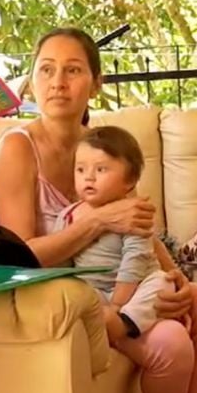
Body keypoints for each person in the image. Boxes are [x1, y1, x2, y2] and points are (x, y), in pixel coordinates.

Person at [0, 27, 197, 393]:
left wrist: (175, 276)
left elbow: (137, 223)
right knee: (172, 343)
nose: (58, 82)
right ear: (30, 81)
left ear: (95, 84)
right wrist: (98, 219)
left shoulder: (101, 147)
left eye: (72, 70)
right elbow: (19, 257)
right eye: (46, 70)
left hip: (116, 284)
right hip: (56, 291)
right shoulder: (16, 150)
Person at [57, 125, 170, 337]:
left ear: (130, 180)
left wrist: (118, 304)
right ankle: (101, 319)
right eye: (80, 169)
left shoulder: (133, 214)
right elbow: (62, 261)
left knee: (161, 283)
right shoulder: (67, 216)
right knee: (68, 291)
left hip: (135, 288)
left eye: (101, 170)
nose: (88, 178)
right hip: (94, 291)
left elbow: (135, 260)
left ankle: (125, 324)